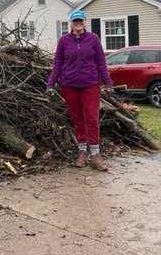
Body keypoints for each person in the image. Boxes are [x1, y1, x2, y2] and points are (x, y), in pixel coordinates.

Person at [46, 9, 113, 171]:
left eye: (80, 21)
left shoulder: (93, 39)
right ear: (71, 23)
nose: (78, 23)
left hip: (90, 84)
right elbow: (57, 64)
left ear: (85, 22)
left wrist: (108, 82)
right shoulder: (64, 41)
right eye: (75, 21)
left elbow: (101, 63)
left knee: (91, 118)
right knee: (78, 119)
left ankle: (96, 154)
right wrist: (50, 84)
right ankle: (82, 152)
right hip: (69, 85)